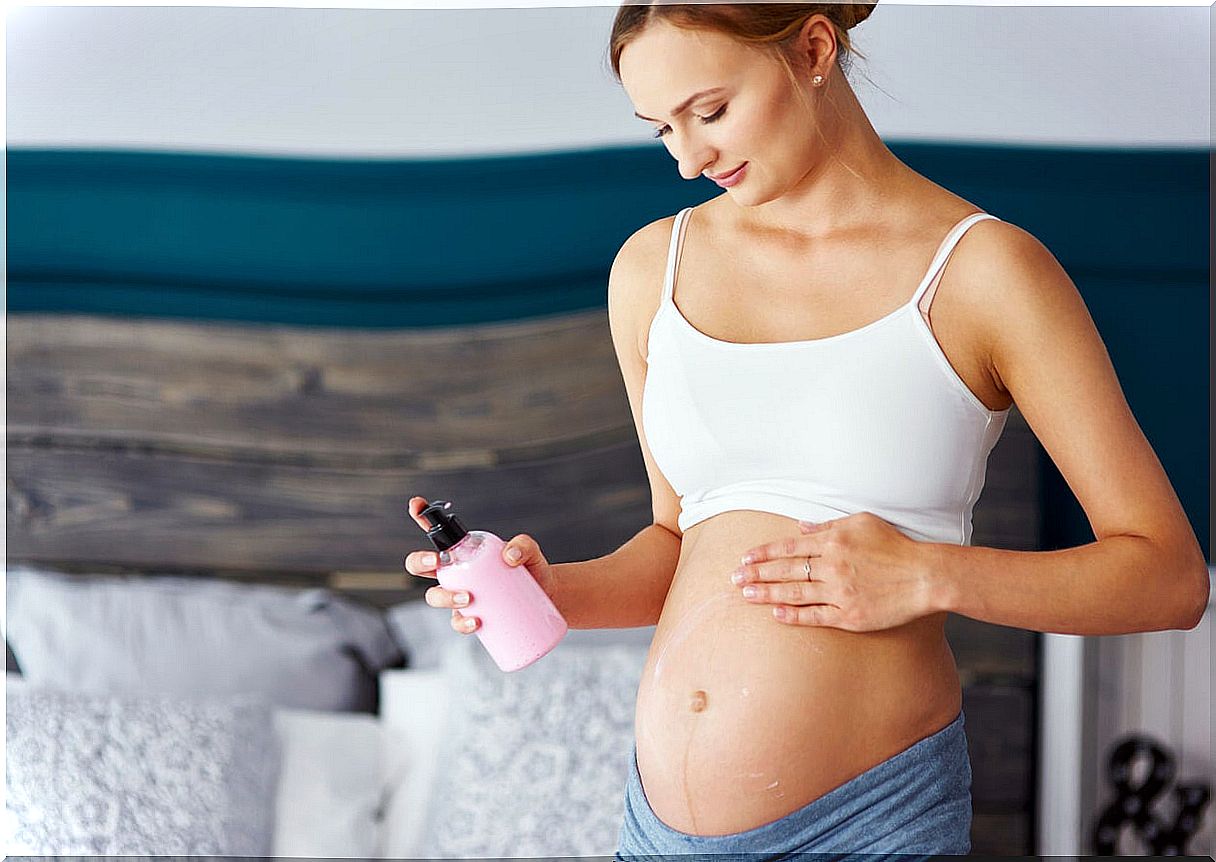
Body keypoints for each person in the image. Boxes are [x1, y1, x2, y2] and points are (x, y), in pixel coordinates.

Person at [405, 1, 1210, 856]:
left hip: (869, 825)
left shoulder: (983, 272)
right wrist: (553, 590)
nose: (689, 160)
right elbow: (678, 544)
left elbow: (1168, 578)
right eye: (662, 131)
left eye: (710, 112)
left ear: (815, 48)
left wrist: (929, 576)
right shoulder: (650, 269)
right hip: (657, 835)